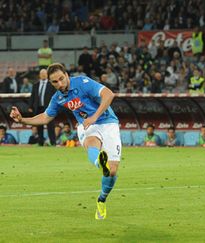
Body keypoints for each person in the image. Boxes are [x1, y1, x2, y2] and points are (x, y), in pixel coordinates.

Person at [10, 63, 121, 220]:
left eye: (61, 79)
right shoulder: (58, 98)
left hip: (108, 122)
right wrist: (22, 120)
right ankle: (99, 162)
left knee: (113, 171)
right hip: (86, 125)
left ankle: (101, 200)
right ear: (51, 82)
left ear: (67, 75)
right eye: (55, 82)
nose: (60, 84)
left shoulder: (83, 83)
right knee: (91, 141)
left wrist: (94, 116)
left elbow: (109, 95)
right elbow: (45, 117)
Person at [28, 69, 56, 146]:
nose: (43, 75)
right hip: (38, 108)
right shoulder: (35, 85)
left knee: (50, 126)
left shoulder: (52, 85)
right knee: (39, 126)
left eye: (44, 74)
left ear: (47, 75)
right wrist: (30, 106)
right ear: (39, 75)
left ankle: (53, 142)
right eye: (42, 74)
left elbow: (55, 96)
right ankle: (40, 142)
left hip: (49, 108)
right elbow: (32, 96)